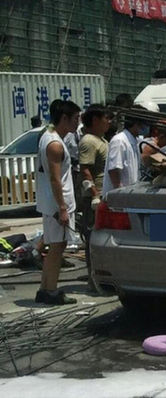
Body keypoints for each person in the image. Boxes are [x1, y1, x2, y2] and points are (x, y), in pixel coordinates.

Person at [35, 99, 81, 305]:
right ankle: (51, 290)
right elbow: (55, 178)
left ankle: (45, 288)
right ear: (64, 118)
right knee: (57, 247)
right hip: (56, 203)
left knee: (55, 245)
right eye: (75, 119)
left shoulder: (49, 137)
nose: (77, 123)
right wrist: (62, 207)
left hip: (51, 202)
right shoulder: (54, 144)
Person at [102, 116, 145, 195]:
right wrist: (120, 194)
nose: (143, 128)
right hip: (118, 198)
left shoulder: (135, 141)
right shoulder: (119, 140)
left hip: (129, 194)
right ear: (136, 124)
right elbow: (113, 170)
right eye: (142, 124)